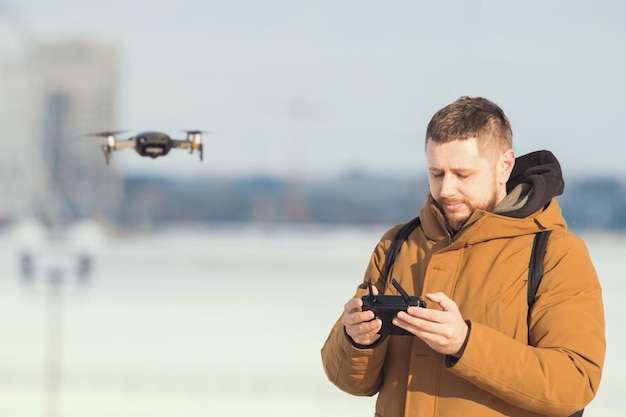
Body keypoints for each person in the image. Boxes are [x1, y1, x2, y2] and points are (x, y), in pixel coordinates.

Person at [320, 96, 605, 417]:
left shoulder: (556, 253)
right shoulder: (396, 244)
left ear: (504, 166)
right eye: (436, 173)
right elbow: (348, 379)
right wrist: (356, 340)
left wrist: (466, 344)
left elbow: (574, 383)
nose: (446, 189)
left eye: (462, 174)